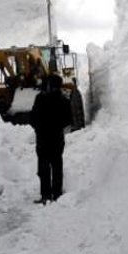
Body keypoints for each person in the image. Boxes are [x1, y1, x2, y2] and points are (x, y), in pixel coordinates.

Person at [29, 74, 72, 204]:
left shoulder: (40, 99)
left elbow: (32, 117)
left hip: (43, 138)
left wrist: (39, 128)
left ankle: (45, 195)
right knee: (57, 165)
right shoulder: (64, 100)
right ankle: (57, 194)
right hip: (57, 138)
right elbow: (68, 119)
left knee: (43, 166)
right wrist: (58, 127)